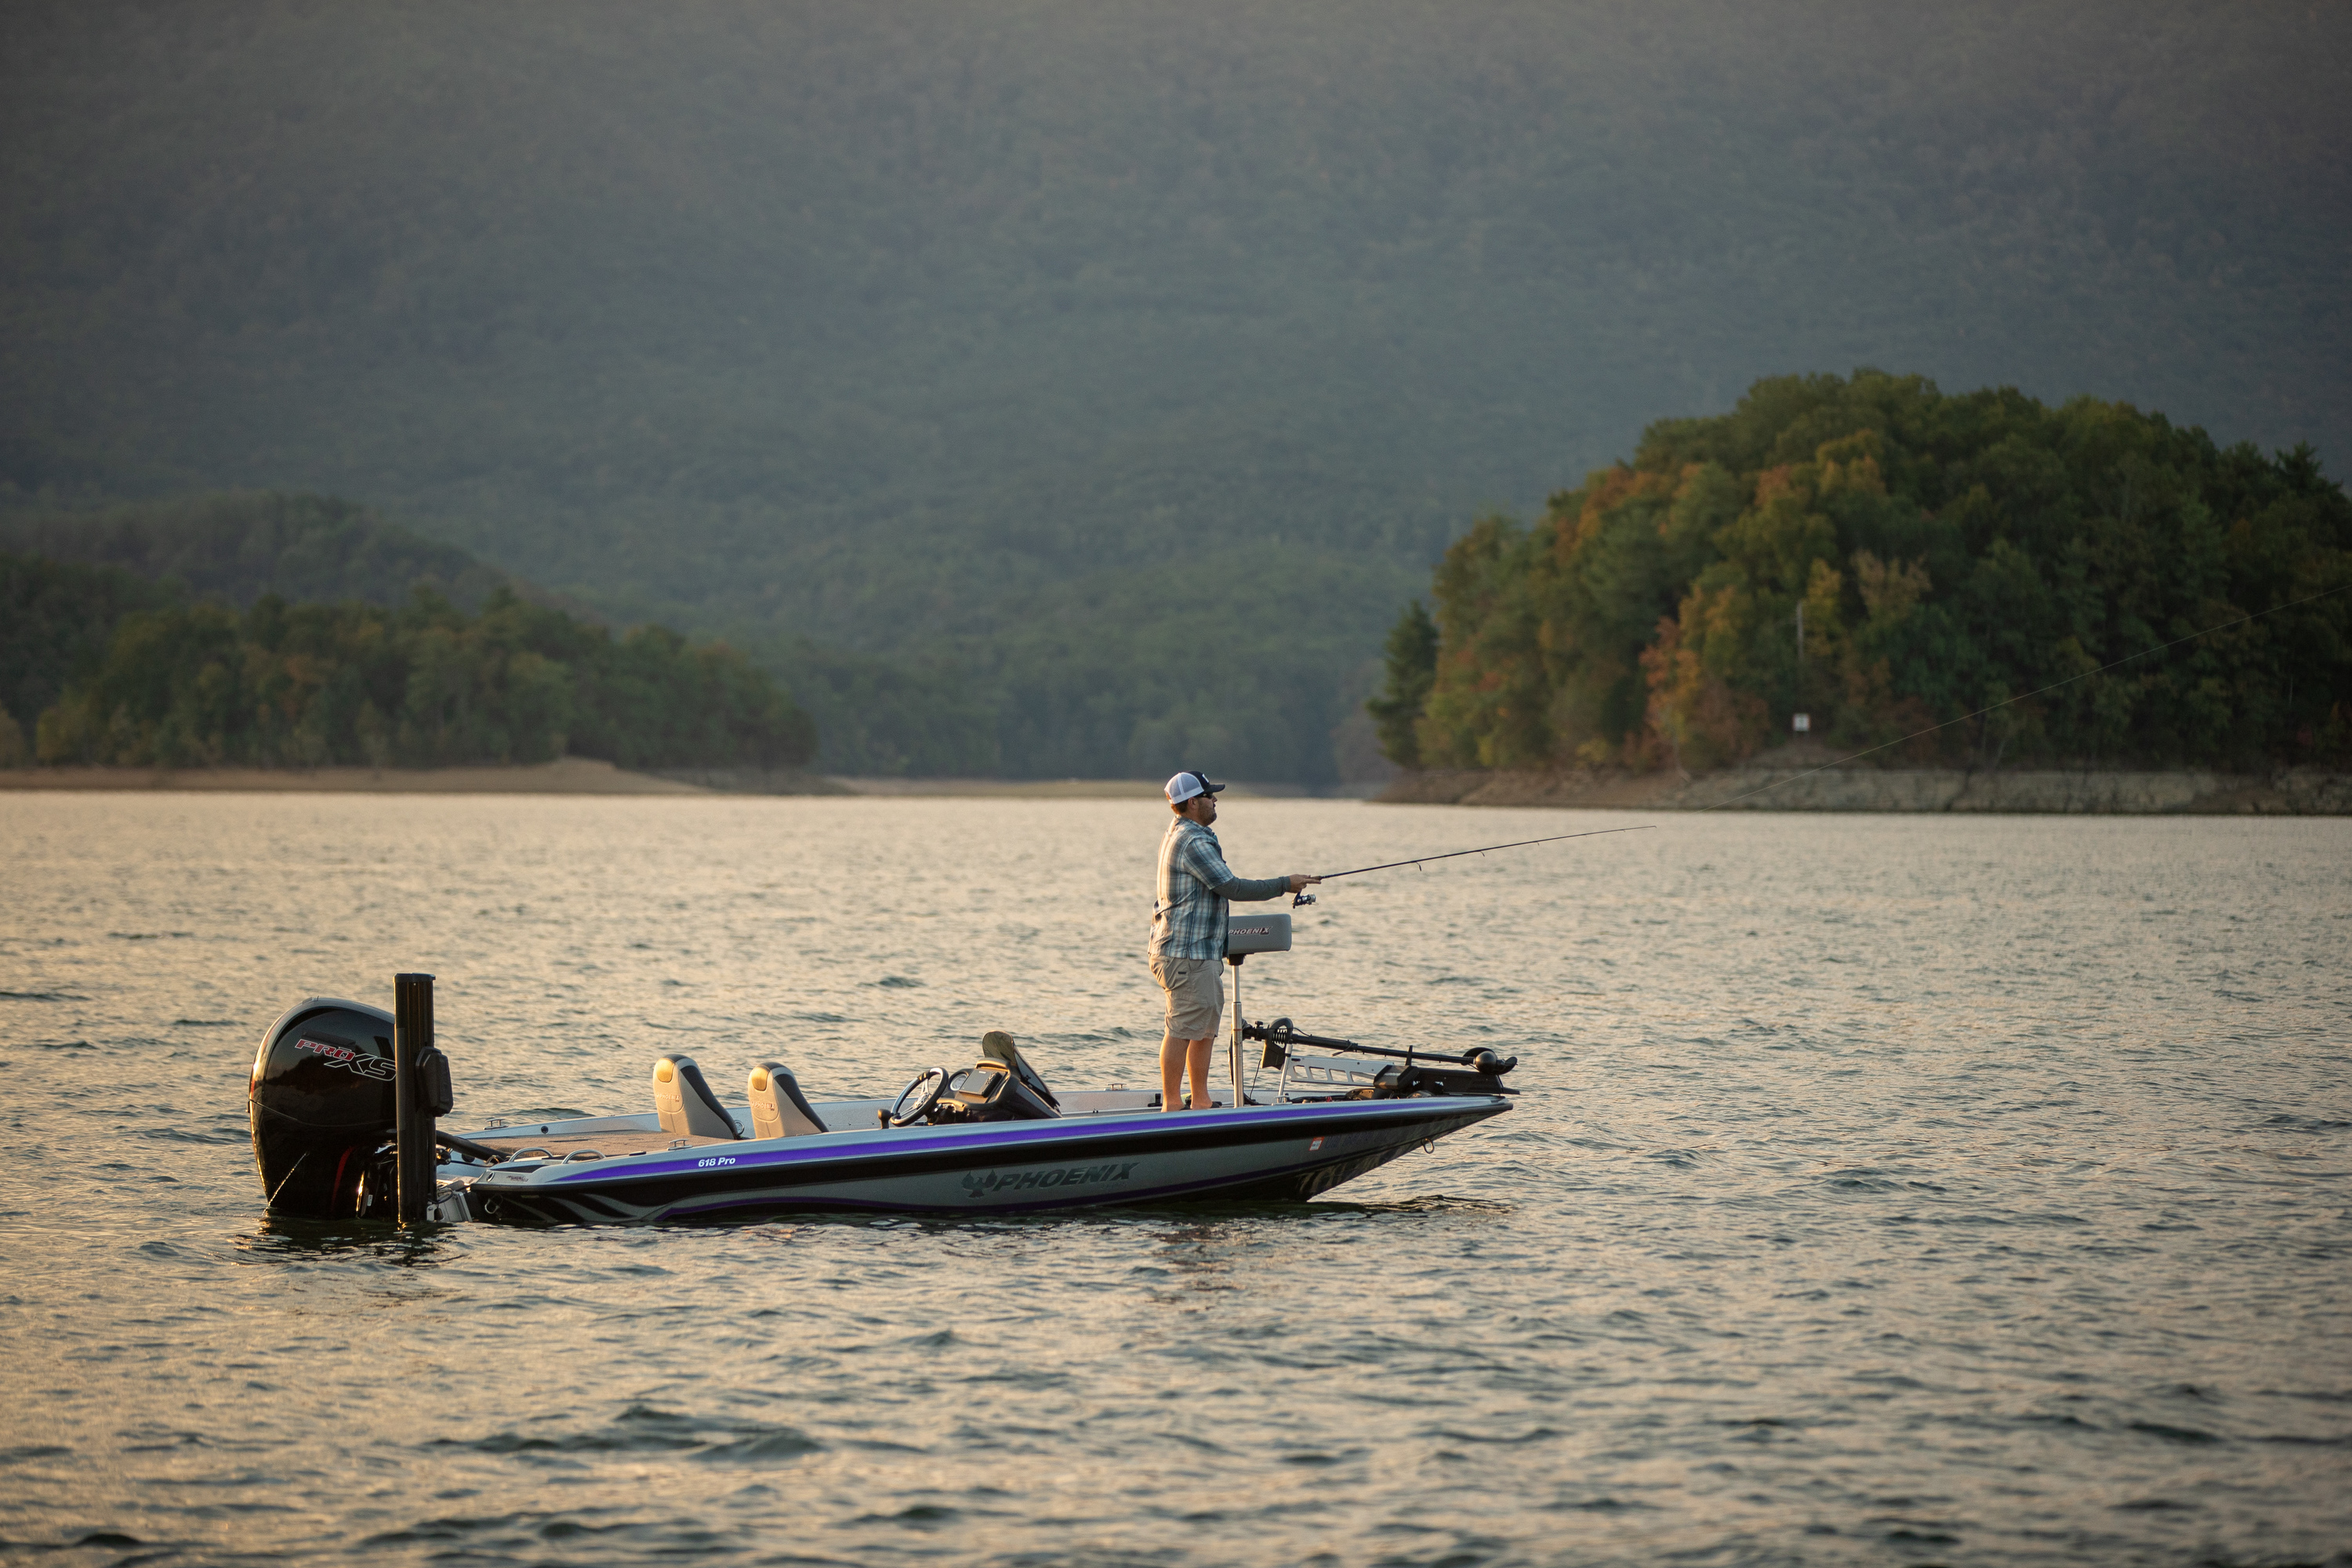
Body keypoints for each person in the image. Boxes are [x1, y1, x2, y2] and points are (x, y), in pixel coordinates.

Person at [1149, 770, 1319, 1112]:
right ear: (1193, 802)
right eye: (1210, 795)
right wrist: (1285, 882)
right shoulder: (1193, 841)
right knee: (1182, 1028)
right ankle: (1172, 1105)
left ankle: (1200, 1101)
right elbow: (1232, 887)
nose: (1216, 800)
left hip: (1194, 953)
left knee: (1203, 1030)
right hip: (1187, 955)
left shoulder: (1184, 834)